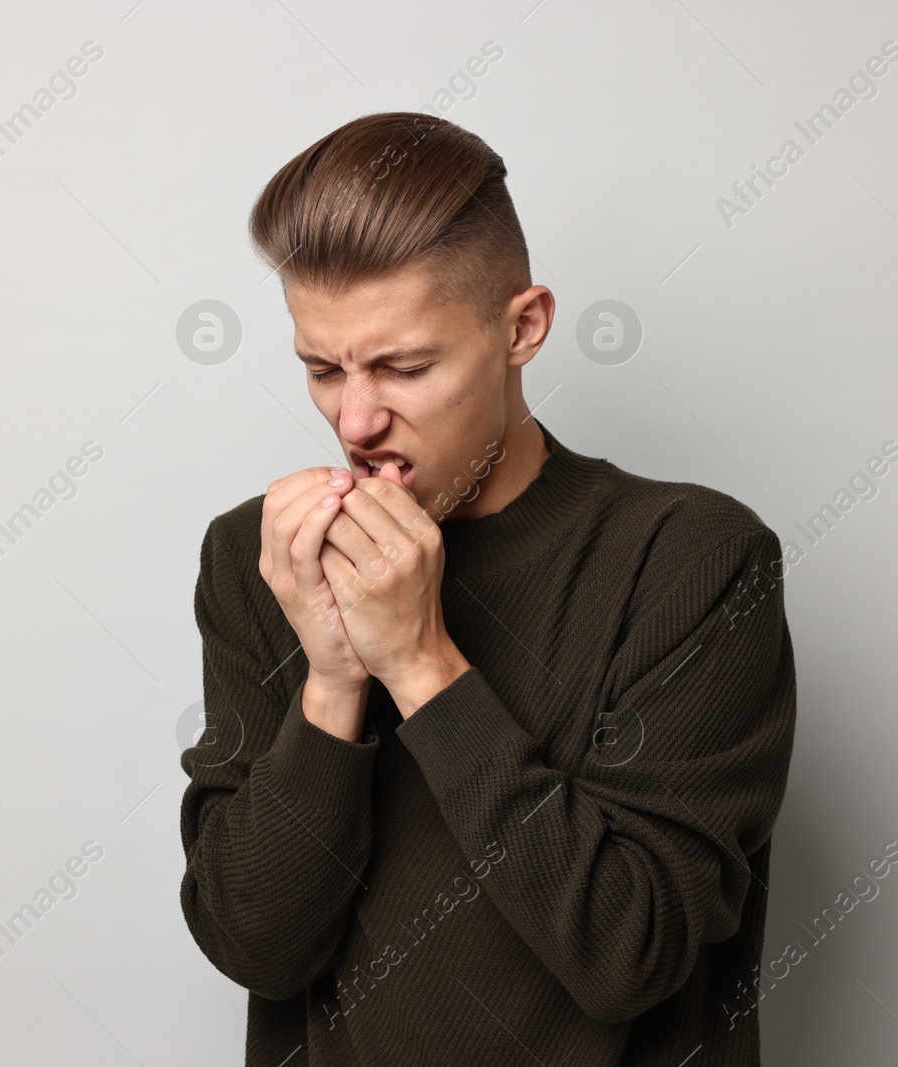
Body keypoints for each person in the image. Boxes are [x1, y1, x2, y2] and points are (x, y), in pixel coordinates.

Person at [179, 111, 797, 1066]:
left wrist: (420, 664)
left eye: (405, 367)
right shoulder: (260, 560)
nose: (356, 417)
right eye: (320, 368)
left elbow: (628, 954)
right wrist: (334, 681)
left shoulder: (694, 561)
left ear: (524, 329)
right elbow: (257, 944)